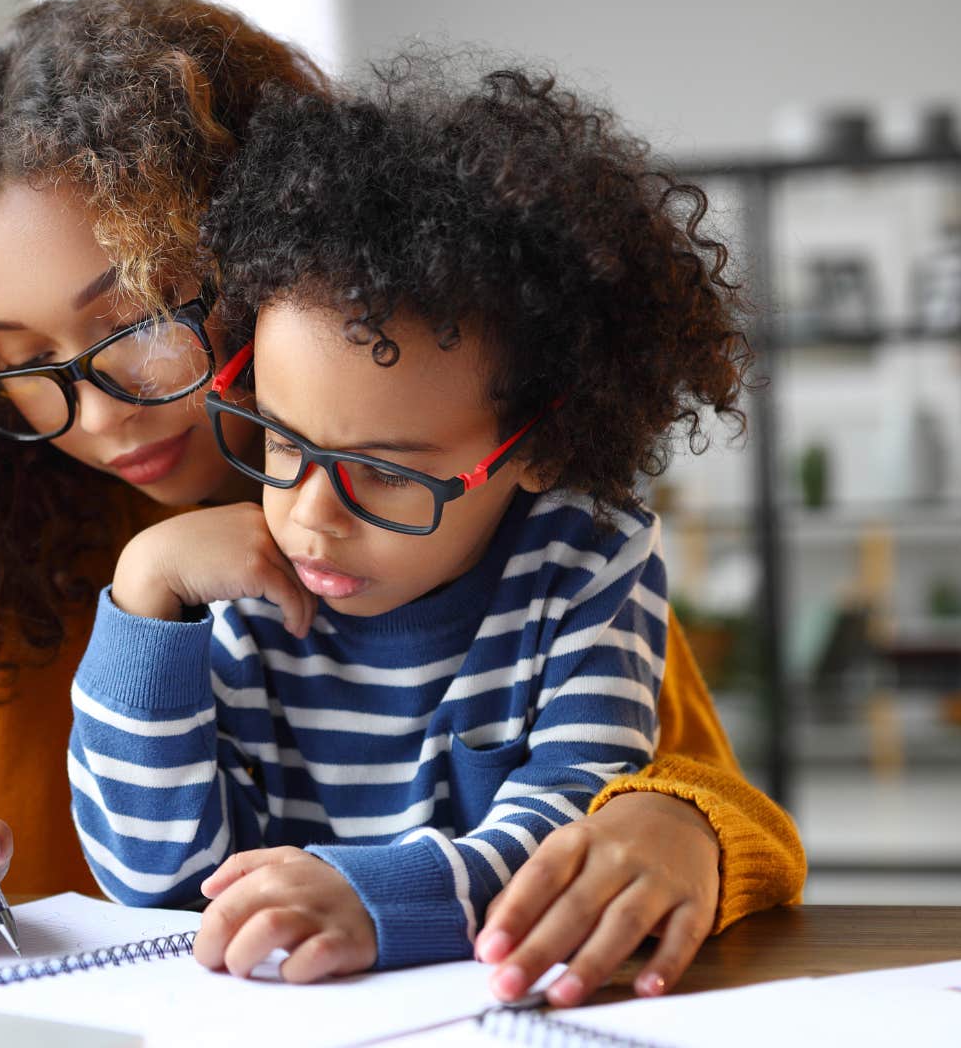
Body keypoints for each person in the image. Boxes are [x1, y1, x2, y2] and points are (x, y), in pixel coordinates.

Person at [0, 0, 804, 1006]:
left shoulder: (473, 522)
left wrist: (681, 826)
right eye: (21, 361)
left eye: (135, 324)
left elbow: (676, 781)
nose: (96, 416)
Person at [70, 61, 739, 988]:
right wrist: (145, 597)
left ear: (536, 445)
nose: (311, 516)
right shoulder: (235, 587)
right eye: (281, 441)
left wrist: (376, 896)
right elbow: (154, 876)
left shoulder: (586, 563)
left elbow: (574, 821)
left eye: (384, 473)